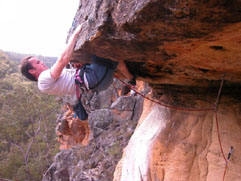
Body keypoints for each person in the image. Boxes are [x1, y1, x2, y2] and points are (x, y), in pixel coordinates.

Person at [20, 24, 135, 119]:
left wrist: (79, 67)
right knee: (101, 46)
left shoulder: (46, 84)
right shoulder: (43, 79)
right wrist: (76, 33)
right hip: (94, 77)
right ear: (32, 71)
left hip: (98, 82)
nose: (42, 62)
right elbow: (63, 58)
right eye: (38, 63)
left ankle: (131, 79)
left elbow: (69, 79)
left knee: (114, 57)